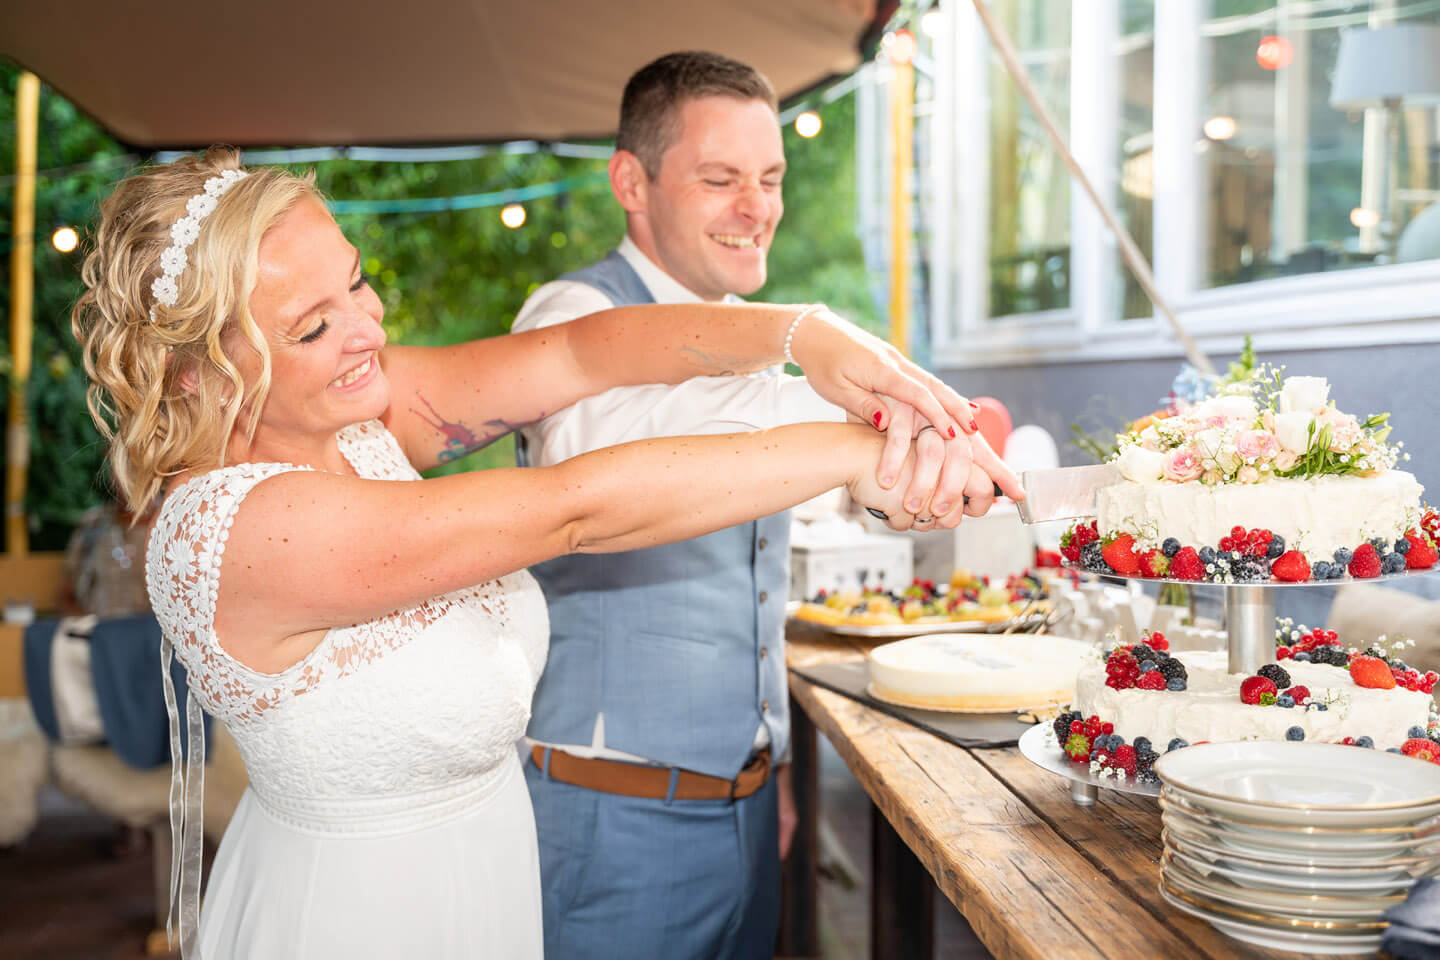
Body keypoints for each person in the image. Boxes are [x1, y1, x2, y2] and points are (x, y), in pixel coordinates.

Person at [72, 148, 1011, 959]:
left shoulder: (356, 422)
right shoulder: (240, 532)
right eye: (312, 326)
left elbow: (578, 355)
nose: (370, 330)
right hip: (362, 917)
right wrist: (854, 453)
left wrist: (807, 332)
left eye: (355, 282)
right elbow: (576, 512)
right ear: (195, 372)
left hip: (489, 876)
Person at [511, 52, 1016, 958]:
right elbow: (593, 458)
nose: (758, 208)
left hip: (744, 811)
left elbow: (757, 571)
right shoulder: (569, 314)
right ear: (631, 182)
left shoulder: (756, 341)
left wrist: (768, 766)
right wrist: (842, 401)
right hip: (611, 815)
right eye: (721, 180)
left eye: (771, 178)